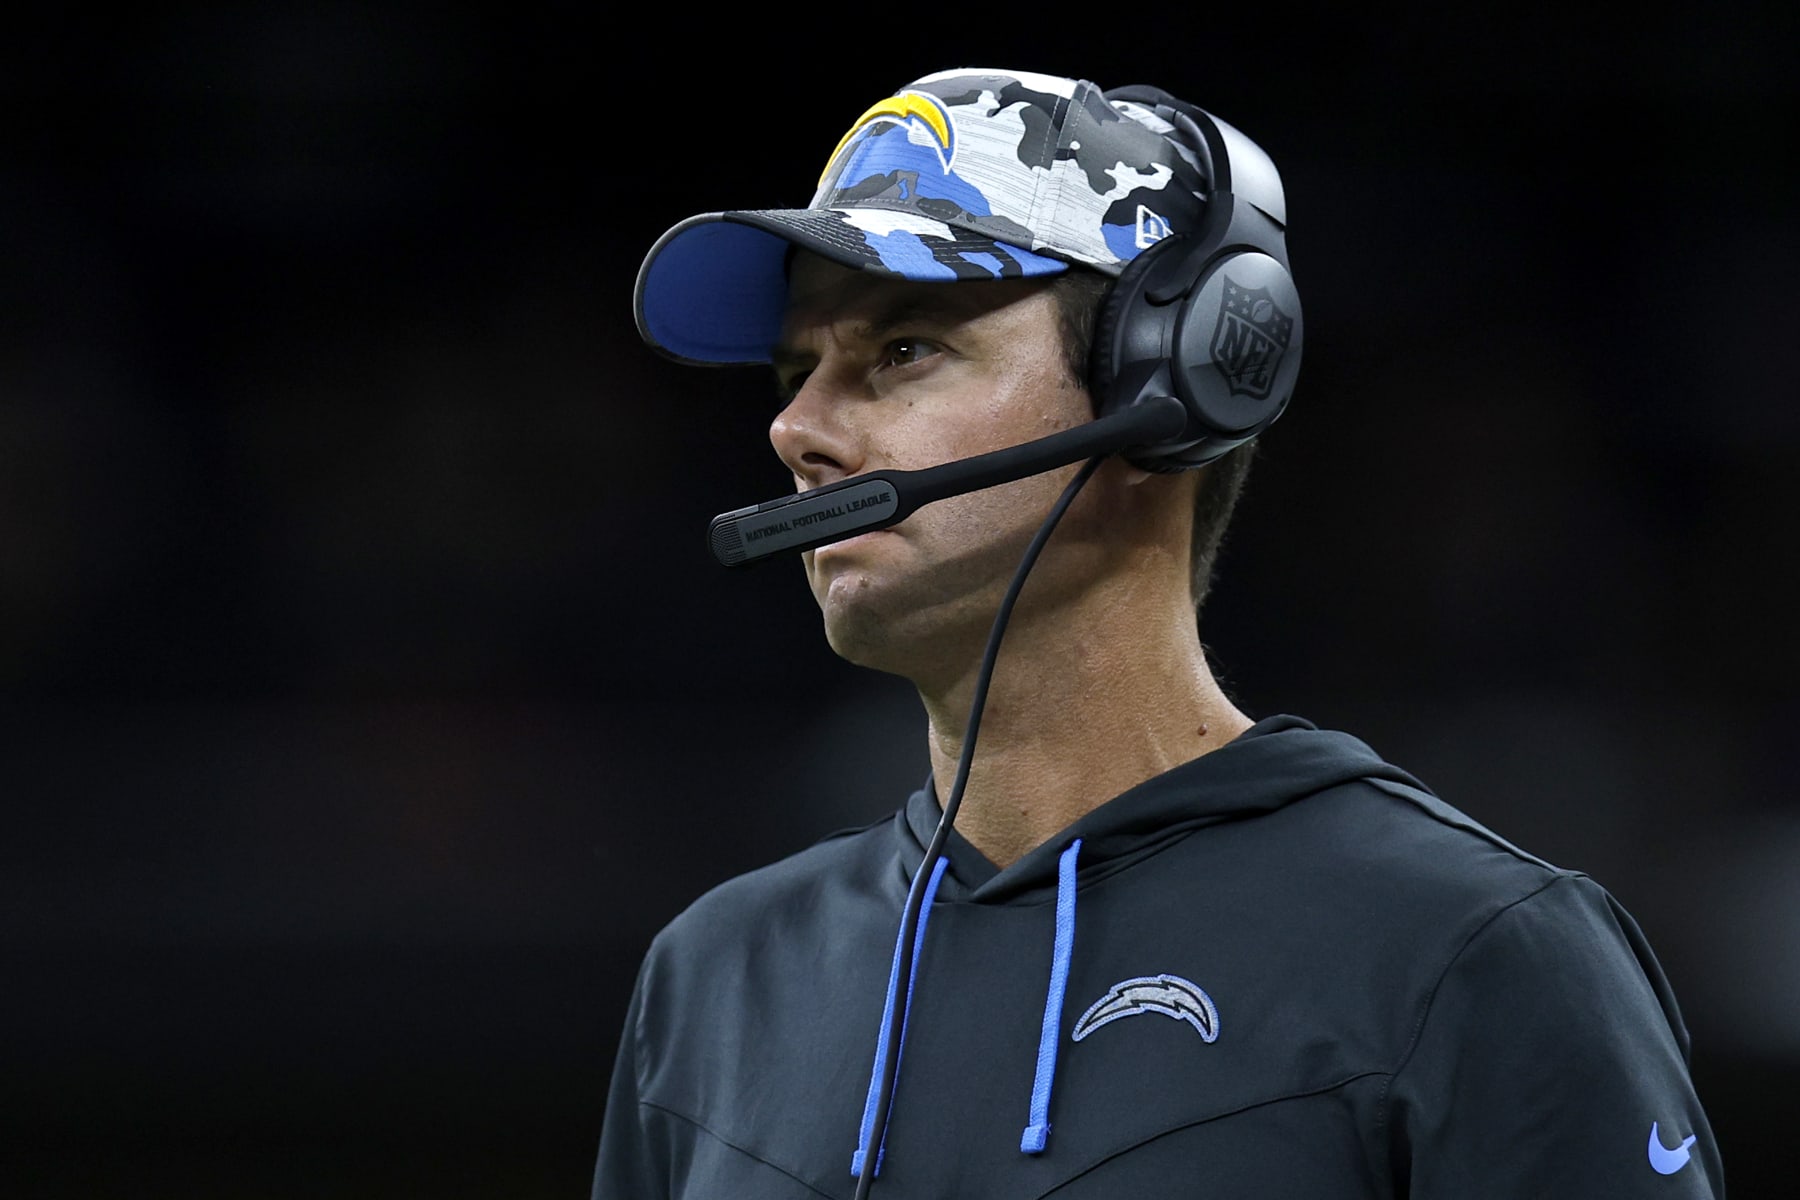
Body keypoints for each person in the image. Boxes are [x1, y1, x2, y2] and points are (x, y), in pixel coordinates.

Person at [595, 67, 1723, 1198]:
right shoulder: (713, 980)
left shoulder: (1467, 954)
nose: (797, 428)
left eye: (902, 350)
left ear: (1172, 378)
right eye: (798, 371)